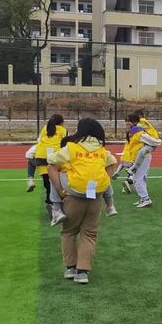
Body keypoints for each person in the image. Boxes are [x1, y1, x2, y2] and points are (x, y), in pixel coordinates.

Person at [47, 118, 117, 284]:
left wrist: (60, 190)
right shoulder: (102, 150)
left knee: (69, 231)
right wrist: (105, 182)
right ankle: (83, 272)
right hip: (94, 194)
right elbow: (112, 163)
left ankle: (71, 268)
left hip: (73, 195)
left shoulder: (72, 147)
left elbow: (51, 163)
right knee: (89, 233)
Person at [47, 134, 119, 226]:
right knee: (102, 177)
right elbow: (112, 161)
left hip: (73, 191)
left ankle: (57, 209)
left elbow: (51, 163)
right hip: (91, 190)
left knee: (53, 177)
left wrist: (61, 191)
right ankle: (110, 205)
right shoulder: (90, 155)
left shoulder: (65, 157)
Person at [34, 114, 67, 211]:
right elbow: (65, 143)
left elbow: (39, 140)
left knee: (46, 179)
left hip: (42, 155)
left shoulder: (45, 128)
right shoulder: (63, 130)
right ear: (61, 123)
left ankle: (49, 199)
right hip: (55, 156)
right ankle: (56, 202)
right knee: (56, 179)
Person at [120, 113, 154, 208]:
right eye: (126, 121)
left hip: (142, 156)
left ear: (134, 122)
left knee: (137, 179)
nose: (127, 123)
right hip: (141, 156)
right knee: (140, 178)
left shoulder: (137, 130)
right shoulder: (135, 130)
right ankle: (144, 198)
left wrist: (154, 144)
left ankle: (146, 199)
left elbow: (150, 140)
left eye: (128, 121)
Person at [124, 109, 161, 178]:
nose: (128, 122)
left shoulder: (141, 121)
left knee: (142, 153)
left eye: (130, 120)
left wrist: (132, 131)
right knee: (142, 156)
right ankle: (133, 171)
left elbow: (138, 130)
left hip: (152, 140)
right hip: (151, 141)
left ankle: (134, 169)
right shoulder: (142, 123)